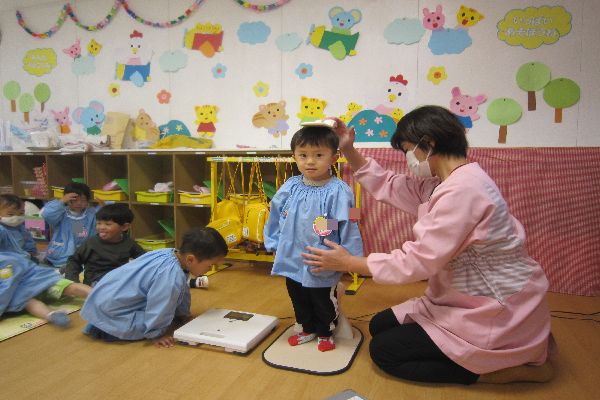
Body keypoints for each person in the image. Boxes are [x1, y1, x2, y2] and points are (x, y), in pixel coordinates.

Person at [302, 106, 554, 383]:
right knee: (379, 325)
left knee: (383, 352)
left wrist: (349, 263)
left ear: (428, 143)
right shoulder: (441, 183)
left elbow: (417, 261)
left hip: (491, 307)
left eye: (408, 150)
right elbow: (389, 184)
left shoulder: (464, 190)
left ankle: (496, 370)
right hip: (459, 296)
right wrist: (348, 148)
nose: (409, 159)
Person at [264, 125, 363, 352]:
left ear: (333, 158)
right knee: (298, 296)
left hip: (322, 258)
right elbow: (275, 214)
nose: (310, 161)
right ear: (294, 157)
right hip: (292, 255)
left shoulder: (341, 190)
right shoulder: (289, 186)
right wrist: (273, 242)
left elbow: (350, 221)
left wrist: (351, 257)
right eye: (303, 155)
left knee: (322, 299)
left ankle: (326, 331)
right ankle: (306, 328)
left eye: (318, 155)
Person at [80, 227, 228, 348]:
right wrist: (156, 334)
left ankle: (101, 325)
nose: (210, 269)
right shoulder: (171, 278)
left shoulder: (169, 253)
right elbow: (161, 305)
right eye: (210, 265)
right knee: (157, 321)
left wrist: (183, 314)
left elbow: (182, 291)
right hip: (112, 314)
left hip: (104, 301)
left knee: (168, 315)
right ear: (191, 259)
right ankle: (102, 330)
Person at [0, 251, 92, 327]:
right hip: (22, 291)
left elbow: (6, 289)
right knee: (28, 302)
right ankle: (51, 314)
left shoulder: (6, 262)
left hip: (38, 280)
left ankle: (95, 293)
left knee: (66, 286)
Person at [64, 203, 145, 286]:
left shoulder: (129, 243)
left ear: (124, 227)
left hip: (119, 281)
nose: (101, 227)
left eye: (108, 224)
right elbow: (74, 261)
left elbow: (145, 258)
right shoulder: (91, 243)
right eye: (99, 223)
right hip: (95, 283)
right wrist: (73, 282)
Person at [41, 182, 97, 269]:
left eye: (83, 200)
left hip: (80, 255)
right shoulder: (61, 213)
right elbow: (47, 214)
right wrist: (61, 201)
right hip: (59, 253)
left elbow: (84, 233)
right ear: (67, 199)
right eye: (74, 200)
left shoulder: (89, 214)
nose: (79, 203)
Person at [0, 194, 38, 260]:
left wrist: (31, 251)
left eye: (21, 213)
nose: (17, 217)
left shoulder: (20, 227)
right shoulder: (1, 229)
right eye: (10, 214)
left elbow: (28, 240)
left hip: (22, 256)